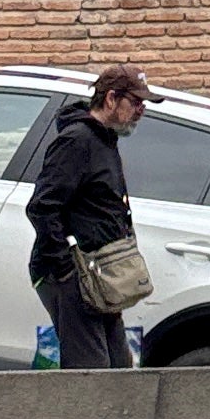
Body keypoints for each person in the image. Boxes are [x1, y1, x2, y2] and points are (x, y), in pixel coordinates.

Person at [28, 64, 148, 366]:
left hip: (100, 275)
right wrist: (66, 268)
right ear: (110, 99)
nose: (141, 110)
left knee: (119, 368)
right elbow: (42, 206)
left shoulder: (105, 140)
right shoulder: (77, 140)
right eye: (135, 102)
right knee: (90, 376)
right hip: (73, 275)